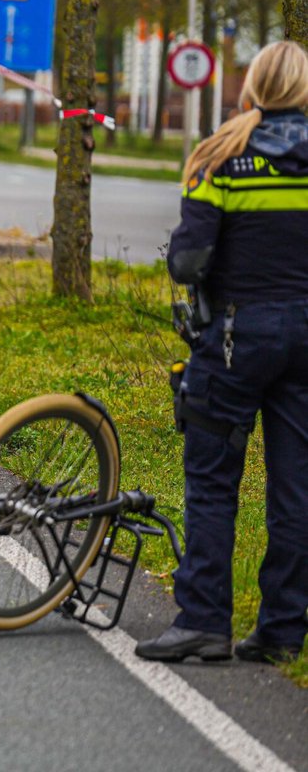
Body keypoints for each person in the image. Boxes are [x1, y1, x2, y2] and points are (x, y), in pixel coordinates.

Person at [135, 40, 308, 665]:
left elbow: (186, 263)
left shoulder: (221, 156)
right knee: (297, 488)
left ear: (253, 85)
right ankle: (284, 631)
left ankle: (204, 620)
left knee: (212, 480)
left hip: (237, 339)